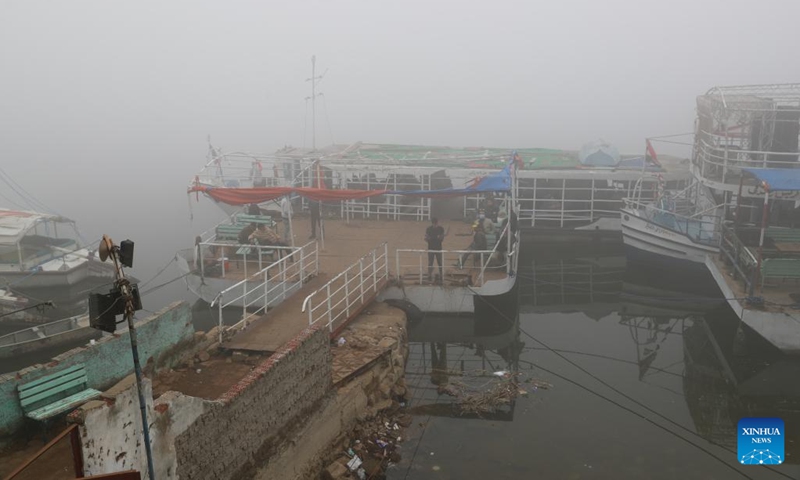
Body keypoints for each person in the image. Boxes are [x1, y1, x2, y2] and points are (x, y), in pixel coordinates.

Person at [424, 217, 445, 283]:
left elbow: (441, 239)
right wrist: (436, 238)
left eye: (436, 224)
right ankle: (429, 274)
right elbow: (426, 238)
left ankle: (441, 274)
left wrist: (431, 238)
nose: (435, 225)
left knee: (439, 262)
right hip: (432, 248)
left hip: (437, 248)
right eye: (434, 224)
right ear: (433, 223)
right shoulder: (429, 229)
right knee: (431, 262)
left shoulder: (440, 229)